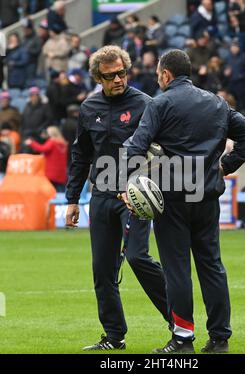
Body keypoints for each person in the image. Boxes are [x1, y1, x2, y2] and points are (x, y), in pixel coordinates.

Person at [120, 49, 245, 353]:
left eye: (158, 74)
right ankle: (220, 338)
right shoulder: (216, 102)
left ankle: (183, 340)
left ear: (166, 74)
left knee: (177, 270)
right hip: (207, 198)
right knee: (211, 266)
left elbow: (136, 148)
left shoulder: (160, 104)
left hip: (171, 198)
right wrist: (224, 166)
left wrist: (129, 186)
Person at [65, 45, 168, 351]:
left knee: (137, 257)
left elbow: (164, 151)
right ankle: (114, 337)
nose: (119, 79)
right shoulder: (88, 108)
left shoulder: (147, 105)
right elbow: (81, 155)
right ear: (98, 77)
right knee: (103, 270)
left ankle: (180, 323)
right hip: (101, 197)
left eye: (122, 73)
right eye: (110, 76)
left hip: (135, 195)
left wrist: (149, 185)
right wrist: (72, 199)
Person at [25, 126, 68, 192]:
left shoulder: (52, 142)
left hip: (51, 172)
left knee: (50, 193)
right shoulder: (63, 143)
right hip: (61, 173)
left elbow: (42, 149)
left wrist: (31, 143)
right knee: (60, 192)